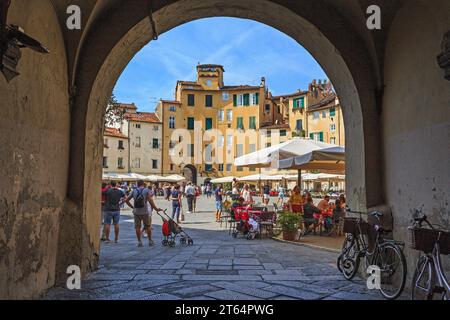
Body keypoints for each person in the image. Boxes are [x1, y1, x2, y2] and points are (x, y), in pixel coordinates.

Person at [125, 180, 162, 247]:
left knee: (137, 227)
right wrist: (156, 209)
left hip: (136, 212)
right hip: (144, 212)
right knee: (148, 226)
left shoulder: (134, 191)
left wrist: (132, 207)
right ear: (143, 184)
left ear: (137, 184)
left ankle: (139, 242)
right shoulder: (146, 190)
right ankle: (150, 241)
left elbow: (126, 200)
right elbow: (150, 201)